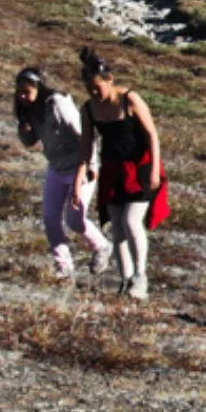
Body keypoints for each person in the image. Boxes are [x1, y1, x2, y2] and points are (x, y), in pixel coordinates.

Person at [78, 46, 166, 299]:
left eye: (98, 87)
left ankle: (140, 276)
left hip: (140, 167)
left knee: (131, 221)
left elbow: (152, 134)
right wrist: (81, 176)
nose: (94, 93)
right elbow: (86, 146)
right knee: (116, 227)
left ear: (109, 80)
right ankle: (125, 280)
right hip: (112, 169)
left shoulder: (130, 100)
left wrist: (154, 171)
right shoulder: (89, 109)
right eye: (89, 88)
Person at [14, 66, 109, 281]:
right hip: (56, 167)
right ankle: (63, 266)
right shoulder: (29, 109)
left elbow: (84, 136)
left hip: (80, 166)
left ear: (39, 88)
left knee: (75, 220)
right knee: (50, 219)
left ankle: (101, 246)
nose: (22, 97)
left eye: (27, 92)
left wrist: (89, 167)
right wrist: (23, 131)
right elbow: (31, 141)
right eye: (19, 92)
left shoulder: (58, 103)